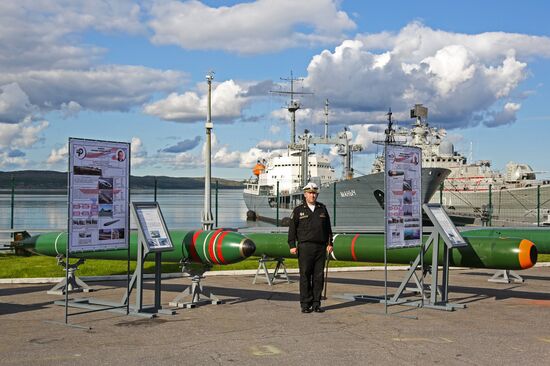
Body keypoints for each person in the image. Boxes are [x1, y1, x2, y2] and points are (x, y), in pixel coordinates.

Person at [288, 182, 333, 313]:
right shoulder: (298, 210)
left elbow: (328, 228)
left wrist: (330, 244)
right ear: (305, 194)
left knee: (319, 276)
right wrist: (292, 245)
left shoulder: (322, 209)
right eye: (310, 193)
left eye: (314, 193)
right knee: (305, 275)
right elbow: (292, 229)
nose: (312, 195)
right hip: (305, 247)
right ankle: (305, 304)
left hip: (320, 247)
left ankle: (316, 304)